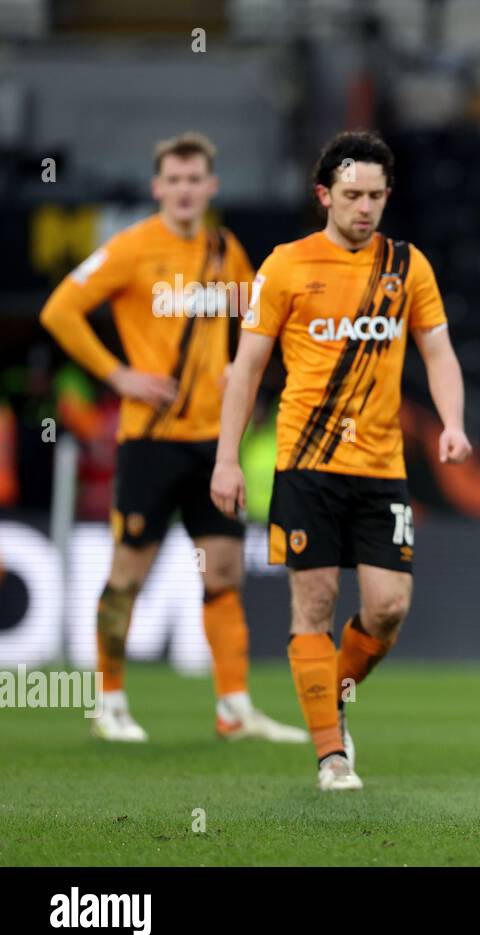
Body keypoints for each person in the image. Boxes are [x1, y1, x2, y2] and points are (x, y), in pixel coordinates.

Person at [210, 131, 471, 791]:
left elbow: (438, 352)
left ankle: (332, 695)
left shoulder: (407, 267)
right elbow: (245, 370)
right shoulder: (286, 265)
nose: (365, 207)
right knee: (316, 602)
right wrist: (227, 460)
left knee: (387, 607)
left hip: (382, 467)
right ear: (324, 194)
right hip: (305, 463)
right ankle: (331, 753)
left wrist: (453, 423)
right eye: (352, 194)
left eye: (377, 195)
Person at [40, 131, 305, 745]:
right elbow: (59, 310)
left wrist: (239, 369)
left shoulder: (225, 249)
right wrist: (117, 374)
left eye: (196, 181)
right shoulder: (131, 248)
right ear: (158, 187)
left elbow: (253, 319)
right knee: (127, 573)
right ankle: (108, 700)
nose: (185, 191)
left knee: (223, 571)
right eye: (174, 181)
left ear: (210, 187)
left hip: (215, 444)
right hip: (151, 440)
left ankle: (233, 707)